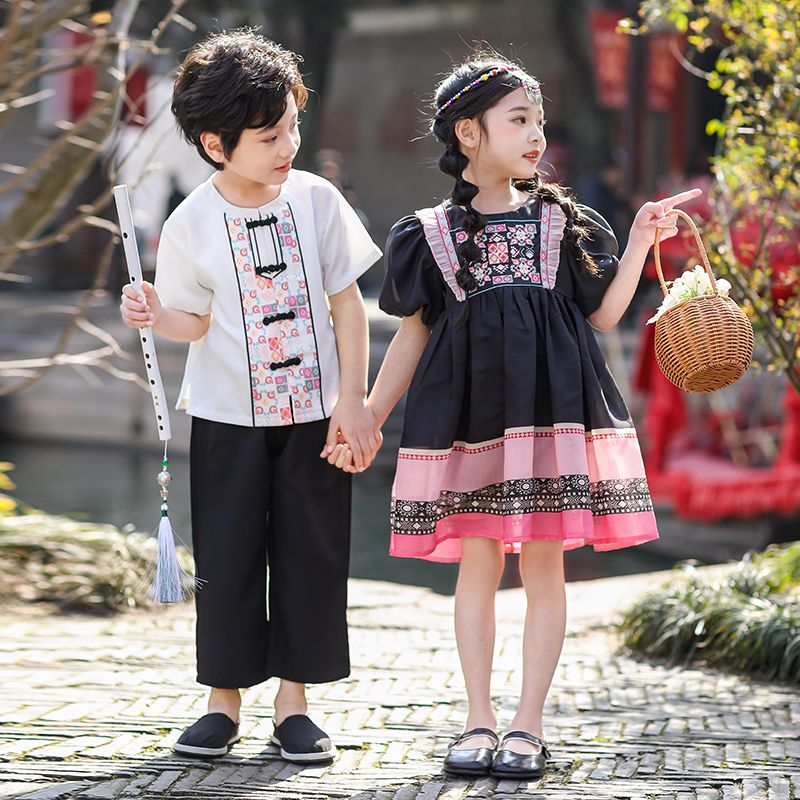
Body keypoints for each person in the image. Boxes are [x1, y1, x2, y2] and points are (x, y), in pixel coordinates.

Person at [329, 53, 700, 779]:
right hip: (469, 419)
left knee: (543, 565)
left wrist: (641, 243)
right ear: (469, 132)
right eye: (518, 120)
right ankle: (478, 719)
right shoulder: (429, 233)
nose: (536, 134)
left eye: (537, 119)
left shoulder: (565, 223)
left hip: (552, 414)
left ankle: (527, 724)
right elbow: (414, 331)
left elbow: (604, 315)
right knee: (476, 563)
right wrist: (369, 414)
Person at [119, 30, 382, 762]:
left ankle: (295, 703)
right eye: (269, 136)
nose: (287, 145)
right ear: (214, 144)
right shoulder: (189, 223)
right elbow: (191, 320)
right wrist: (150, 311)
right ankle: (223, 703)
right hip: (227, 418)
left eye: (292, 127)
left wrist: (353, 401)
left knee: (312, 554)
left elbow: (348, 306)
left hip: (314, 418)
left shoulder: (319, 201)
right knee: (229, 559)